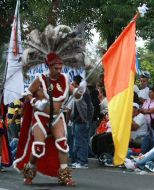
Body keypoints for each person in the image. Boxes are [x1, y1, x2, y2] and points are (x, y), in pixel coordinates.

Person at [14, 25, 87, 186]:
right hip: (40, 117)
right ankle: (29, 173)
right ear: (49, 66)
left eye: (61, 68)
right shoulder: (40, 79)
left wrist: (80, 90)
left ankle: (65, 176)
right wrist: (35, 102)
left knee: (62, 144)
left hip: (57, 117)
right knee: (38, 147)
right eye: (56, 68)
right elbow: (26, 93)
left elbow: (76, 94)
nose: (59, 70)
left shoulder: (65, 79)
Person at [71, 75, 94, 169]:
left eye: (73, 82)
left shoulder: (83, 93)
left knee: (82, 141)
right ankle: (79, 160)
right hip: (77, 120)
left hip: (82, 121)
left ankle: (83, 162)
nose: (72, 84)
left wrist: (86, 119)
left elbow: (87, 107)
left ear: (77, 83)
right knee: (78, 141)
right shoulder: (80, 92)